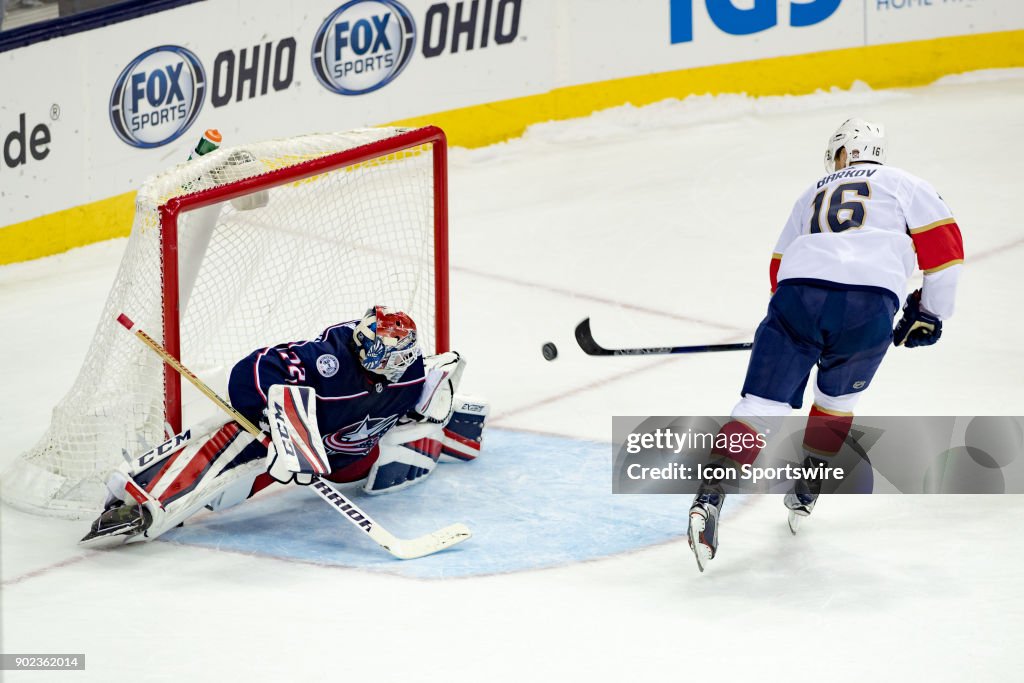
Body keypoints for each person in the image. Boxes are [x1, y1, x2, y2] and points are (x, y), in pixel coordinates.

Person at [687, 118, 965, 572]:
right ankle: (807, 487)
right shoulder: (905, 184)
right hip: (869, 306)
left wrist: (787, 328)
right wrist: (932, 313)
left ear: (841, 154)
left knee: (760, 405)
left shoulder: (811, 190)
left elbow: (779, 267)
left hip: (799, 297)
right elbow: (945, 251)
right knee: (837, 401)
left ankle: (709, 498)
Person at [82, 305, 486, 545]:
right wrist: (290, 435)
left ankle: (445, 445)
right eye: (367, 345)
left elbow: (425, 406)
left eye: (380, 352)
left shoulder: (416, 375)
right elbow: (253, 370)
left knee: (410, 443)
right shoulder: (329, 360)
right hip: (298, 451)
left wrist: (446, 417)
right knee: (237, 454)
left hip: (352, 457)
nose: (369, 354)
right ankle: (141, 500)